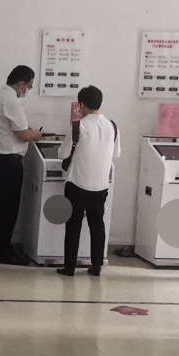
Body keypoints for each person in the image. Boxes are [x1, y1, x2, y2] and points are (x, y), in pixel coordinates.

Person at [0, 65, 43, 264]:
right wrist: (36, 134)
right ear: (21, 83)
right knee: (7, 209)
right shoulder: (12, 102)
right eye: (28, 87)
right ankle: (4, 252)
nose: (27, 91)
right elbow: (23, 134)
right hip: (9, 162)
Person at [57, 85, 118, 276]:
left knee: (73, 225)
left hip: (77, 183)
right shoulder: (112, 126)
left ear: (82, 105)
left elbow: (62, 154)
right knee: (97, 224)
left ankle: (69, 267)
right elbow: (116, 153)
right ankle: (97, 265)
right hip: (100, 185)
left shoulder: (78, 126)